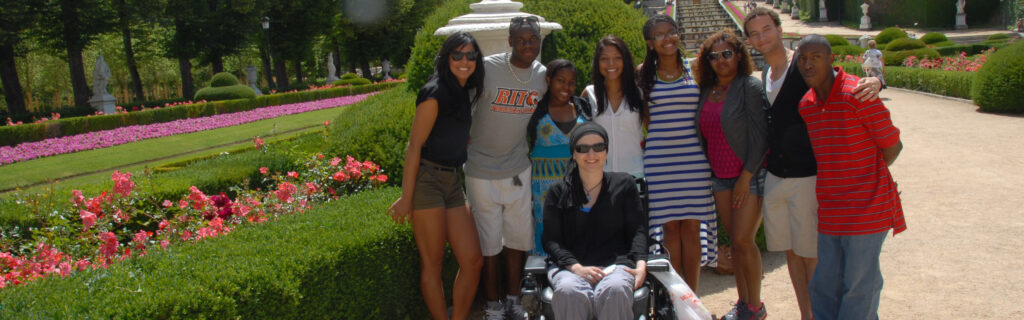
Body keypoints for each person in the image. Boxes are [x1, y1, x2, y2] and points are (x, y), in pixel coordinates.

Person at [742, 7, 882, 320]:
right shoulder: (765, 74)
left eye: (766, 29)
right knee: (793, 252)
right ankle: (807, 315)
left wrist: (876, 83)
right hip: (778, 175)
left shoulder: (803, 63)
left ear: (779, 30)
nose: (761, 37)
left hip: (808, 174)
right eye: (754, 33)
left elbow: (841, 83)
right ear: (749, 40)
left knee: (812, 254)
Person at [794, 34, 905, 320]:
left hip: (867, 208)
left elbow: (893, 145)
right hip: (831, 210)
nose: (807, 64)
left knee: (859, 287)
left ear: (832, 59)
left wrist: (871, 180)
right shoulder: (806, 104)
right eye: (803, 59)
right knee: (824, 287)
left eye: (815, 57)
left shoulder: (858, 94)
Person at [387, 31, 485, 320]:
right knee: (433, 262)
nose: (464, 61)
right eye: (457, 55)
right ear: (446, 58)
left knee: (473, 260)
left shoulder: (463, 90)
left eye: (470, 55)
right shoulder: (435, 91)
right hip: (428, 181)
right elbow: (414, 146)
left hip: (453, 181)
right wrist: (407, 197)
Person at [467, 15, 547, 320]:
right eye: (522, 39)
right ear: (510, 41)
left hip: (517, 168)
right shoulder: (487, 68)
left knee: (517, 240)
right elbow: (458, 102)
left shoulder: (543, 74)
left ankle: (514, 300)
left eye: (533, 39)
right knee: (489, 244)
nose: (528, 45)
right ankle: (493, 305)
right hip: (480, 169)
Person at [636, 14, 716, 292]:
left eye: (671, 32)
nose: (668, 38)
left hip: (694, 159)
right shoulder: (641, 74)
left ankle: (692, 295)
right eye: (660, 35)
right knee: (670, 229)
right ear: (650, 42)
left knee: (692, 229)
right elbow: (643, 118)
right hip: (660, 160)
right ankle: (675, 295)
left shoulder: (696, 70)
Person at [692, 29, 769, 320]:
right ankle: (743, 303)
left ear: (739, 55)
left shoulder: (748, 86)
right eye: (714, 56)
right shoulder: (707, 91)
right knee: (736, 245)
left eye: (727, 54)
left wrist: (746, 177)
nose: (721, 60)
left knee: (742, 241)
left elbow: (761, 136)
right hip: (720, 178)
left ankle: (755, 306)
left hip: (747, 176)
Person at [542, 121, 648, 320]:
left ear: (606, 151)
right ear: (573, 154)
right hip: (570, 267)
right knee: (569, 291)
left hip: (615, 264)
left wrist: (641, 264)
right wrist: (576, 268)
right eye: (583, 148)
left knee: (615, 290)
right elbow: (551, 240)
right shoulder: (558, 192)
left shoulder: (624, 184)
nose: (591, 154)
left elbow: (638, 230)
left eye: (598, 147)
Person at [527, 59, 593, 255]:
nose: (566, 87)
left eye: (571, 82)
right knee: (548, 227)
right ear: (548, 80)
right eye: (560, 81)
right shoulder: (536, 110)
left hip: (579, 181)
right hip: (544, 185)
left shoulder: (582, 107)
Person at [583, 35, 646, 178]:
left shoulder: (639, 94)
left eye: (617, 58)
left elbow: (652, 130)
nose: (611, 64)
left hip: (635, 175)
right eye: (604, 59)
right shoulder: (589, 94)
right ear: (597, 63)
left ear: (625, 60)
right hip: (599, 177)